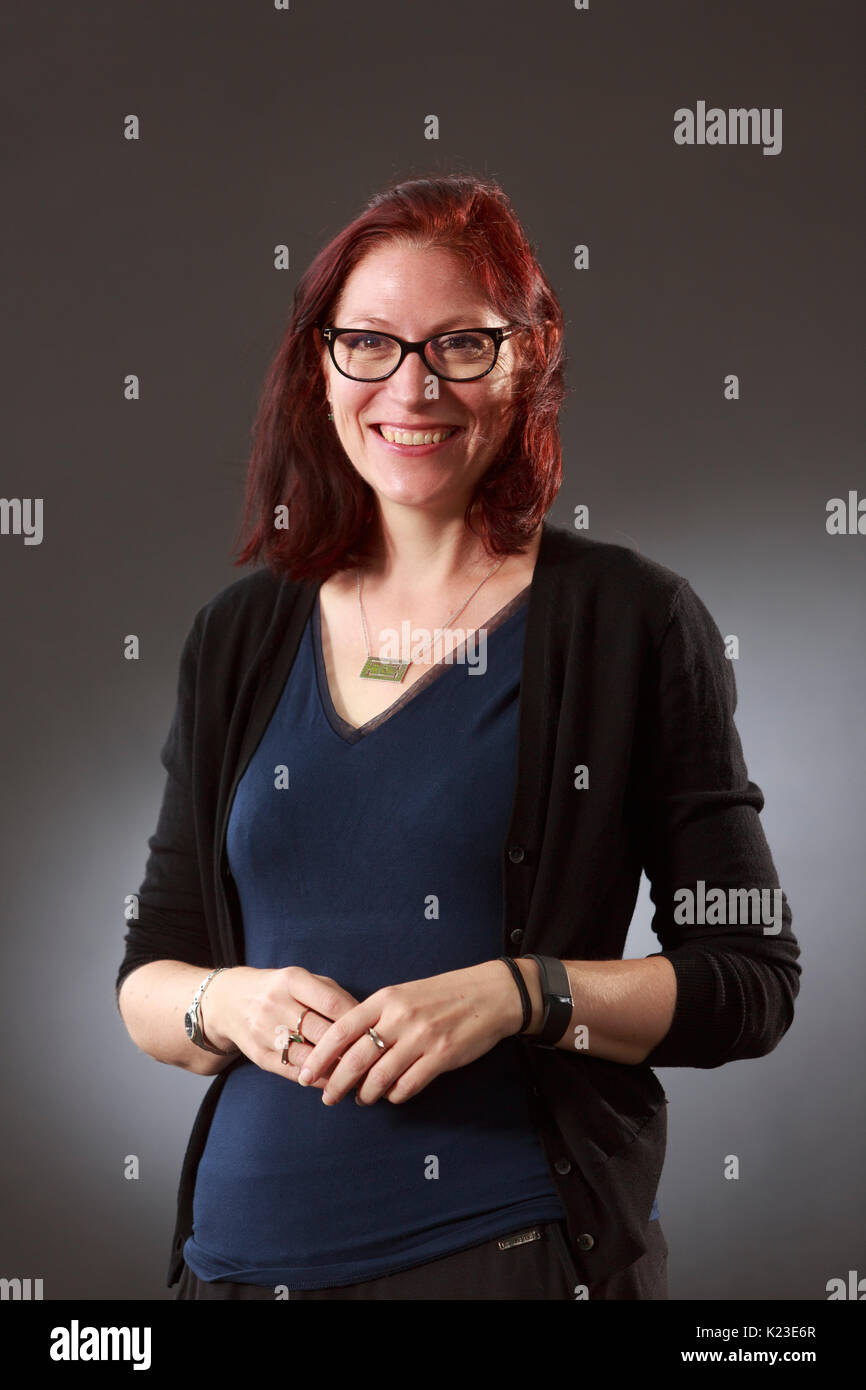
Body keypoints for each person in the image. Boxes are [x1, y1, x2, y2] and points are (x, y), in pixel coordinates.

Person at [115, 173, 801, 1301]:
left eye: (461, 346)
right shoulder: (238, 634)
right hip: (230, 1269)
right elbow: (152, 975)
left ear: (528, 357)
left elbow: (749, 980)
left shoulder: (627, 622)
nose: (411, 387)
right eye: (369, 345)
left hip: (504, 1258)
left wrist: (520, 992)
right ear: (318, 365)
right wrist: (222, 1002)